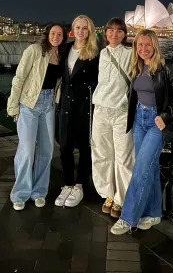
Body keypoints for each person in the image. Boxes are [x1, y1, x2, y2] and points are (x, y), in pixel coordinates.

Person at [111, 29, 173, 234]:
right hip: (139, 119)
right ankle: (154, 213)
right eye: (139, 45)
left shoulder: (166, 66)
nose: (143, 49)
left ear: (155, 45)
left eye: (147, 45)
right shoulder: (138, 66)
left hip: (156, 121)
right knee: (150, 168)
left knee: (141, 168)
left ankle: (128, 218)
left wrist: (166, 117)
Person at [7, 24, 68, 211]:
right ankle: (20, 193)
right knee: (26, 151)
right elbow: (19, 78)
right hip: (29, 103)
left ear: (64, 37)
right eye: (53, 33)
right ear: (47, 34)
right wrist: (12, 106)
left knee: (47, 150)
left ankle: (39, 191)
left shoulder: (61, 55)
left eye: (60, 34)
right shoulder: (34, 50)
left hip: (48, 104)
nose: (56, 37)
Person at [91, 17, 134, 219]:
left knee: (123, 157)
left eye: (119, 31)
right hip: (100, 109)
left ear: (124, 34)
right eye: (110, 30)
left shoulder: (130, 53)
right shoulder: (102, 52)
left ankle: (122, 198)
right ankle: (108, 193)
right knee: (101, 153)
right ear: (106, 33)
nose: (114, 34)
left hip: (121, 111)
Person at [55, 15, 99, 208]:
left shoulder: (96, 52)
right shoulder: (65, 49)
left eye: (85, 28)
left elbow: (99, 81)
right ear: (73, 28)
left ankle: (80, 185)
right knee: (64, 146)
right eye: (78, 27)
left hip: (84, 106)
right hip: (65, 105)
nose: (81, 31)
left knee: (84, 147)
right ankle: (67, 184)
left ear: (90, 30)